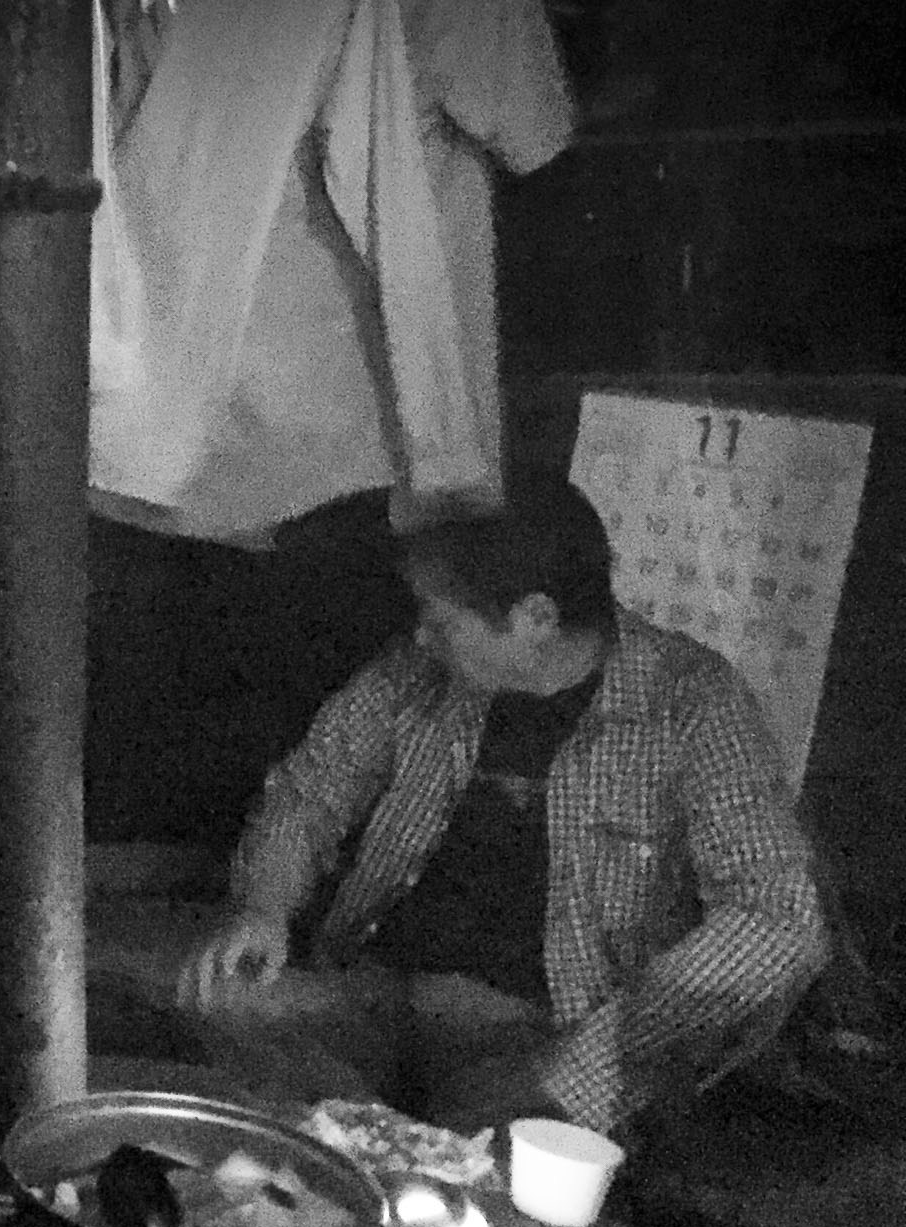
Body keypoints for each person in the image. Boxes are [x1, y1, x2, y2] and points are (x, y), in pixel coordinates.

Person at [179, 475, 830, 1136]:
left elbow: (777, 918)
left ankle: (377, 1144)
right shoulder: (420, 672)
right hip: (382, 994)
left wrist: (588, 1068)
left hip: (543, 1036)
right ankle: (366, 1141)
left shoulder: (691, 702)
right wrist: (264, 907)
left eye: (440, 621)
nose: (421, 638)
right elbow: (311, 790)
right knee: (225, 1000)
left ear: (535, 618)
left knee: (458, 1136)